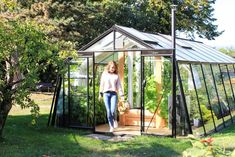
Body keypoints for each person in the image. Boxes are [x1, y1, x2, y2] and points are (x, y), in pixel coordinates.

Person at [99, 61, 124, 132]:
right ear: (109, 66)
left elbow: (119, 85)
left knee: (113, 110)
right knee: (108, 111)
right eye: (112, 67)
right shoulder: (104, 74)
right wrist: (100, 94)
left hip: (113, 94)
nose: (113, 68)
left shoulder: (116, 75)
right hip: (105, 94)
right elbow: (102, 84)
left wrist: (122, 95)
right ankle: (111, 126)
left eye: (114, 67)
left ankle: (115, 119)